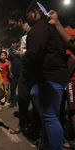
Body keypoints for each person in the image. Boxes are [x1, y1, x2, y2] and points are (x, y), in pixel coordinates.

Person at [16, 1, 69, 149]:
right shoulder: (51, 26)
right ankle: (47, 143)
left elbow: (33, 53)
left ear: (35, 12)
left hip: (46, 79)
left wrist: (22, 55)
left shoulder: (39, 28)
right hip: (56, 78)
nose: (27, 19)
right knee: (52, 117)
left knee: (50, 118)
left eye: (28, 15)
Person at [8, 9, 33, 134]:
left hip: (33, 71)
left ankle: (36, 127)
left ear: (20, 21)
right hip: (24, 70)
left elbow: (33, 52)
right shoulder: (21, 34)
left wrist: (21, 55)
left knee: (35, 99)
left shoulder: (32, 31)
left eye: (12, 25)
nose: (10, 28)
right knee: (22, 98)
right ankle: (23, 124)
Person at [57, 10, 75, 149]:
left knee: (72, 109)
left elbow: (72, 58)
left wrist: (67, 77)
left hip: (71, 79)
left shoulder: (68, 36)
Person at [8, 37, 22, 108]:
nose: (12, 44)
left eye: (13, 43)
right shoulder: (11, 53)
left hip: (22, 73)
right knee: (13, 88)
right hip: (13, 73)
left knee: (21, 89)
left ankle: (22, 102)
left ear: (18, 43)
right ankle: (13, 101)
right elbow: (9, 62)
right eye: (11, 43)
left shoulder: (22, 51)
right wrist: (10, 72)